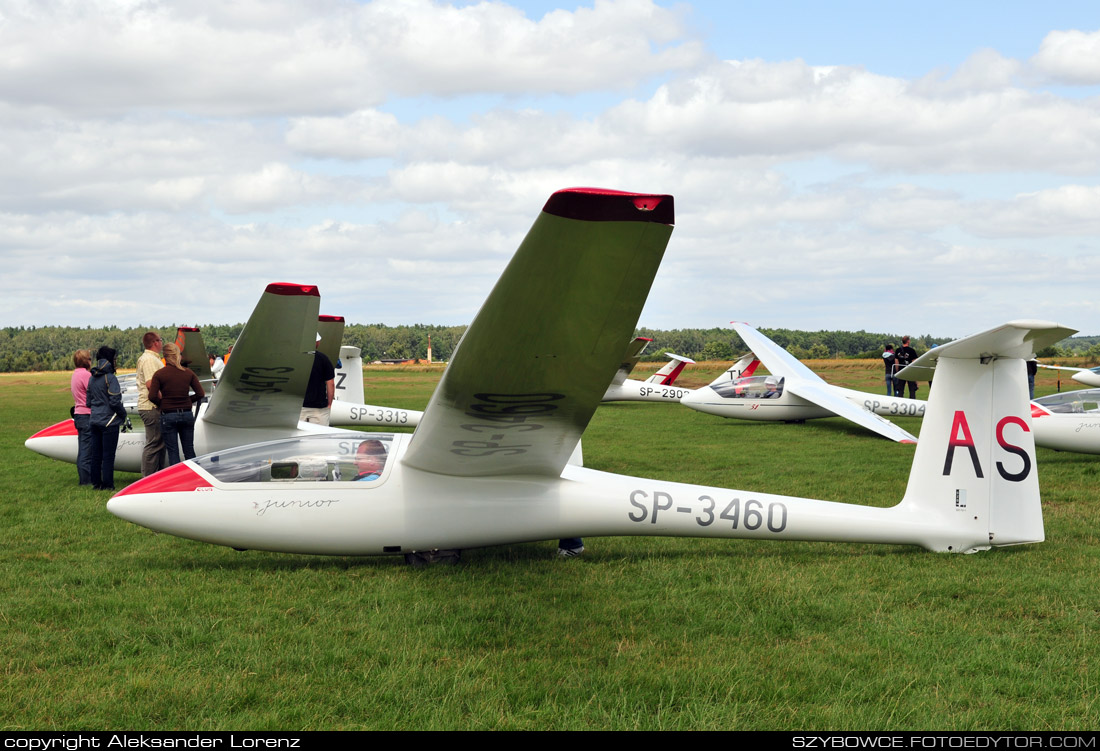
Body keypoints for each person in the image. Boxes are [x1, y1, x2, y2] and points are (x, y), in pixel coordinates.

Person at [149, 343, 205, 466]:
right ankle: (195, 476)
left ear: (165, 356)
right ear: (178, 356)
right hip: (186, 414)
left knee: (173, 452)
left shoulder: (159, 374)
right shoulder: (188, 373)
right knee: (189, 450)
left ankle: (178, 481)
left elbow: (152, 396)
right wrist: (188, 401)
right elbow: (201, 393)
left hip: (168, 415)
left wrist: (163, 403)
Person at [87, 346, 127, 490]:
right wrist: (123, 414)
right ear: (110, 360)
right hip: (109, 422)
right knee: (108, 455)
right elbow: (115, 401)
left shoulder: (92, 379)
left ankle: (96, 483)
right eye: (115, 359)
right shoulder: (110, 378)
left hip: (94, 420)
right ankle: (108, 485)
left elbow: (88, 402)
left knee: (96, 455)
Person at [136, 331, 166, 476]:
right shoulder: (149, 359)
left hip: (152, 406)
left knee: (159, 444)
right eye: (160, 340)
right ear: (155, 342)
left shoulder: (153, 358)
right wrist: (163, 402)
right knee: (154, 444)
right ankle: (147, 478)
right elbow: (150, 385)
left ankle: (156, 476)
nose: (161, 343)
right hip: (151, 406)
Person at [70, 349, 93, 485]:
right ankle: (86, 480)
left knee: (83, 448)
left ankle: (84, 478)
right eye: (89, 359)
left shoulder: (75, 375)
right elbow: (93, 392)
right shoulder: (86, 375)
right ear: (86, 361)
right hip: (87, 414)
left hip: (79, 413)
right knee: (87, 450)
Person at [300, 344, 335, 425]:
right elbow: (331, 384)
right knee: (319, 437)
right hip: (319, 408)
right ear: (317, 343)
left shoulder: (296, 358)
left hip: (299, 406)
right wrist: (329, 404)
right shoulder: (323, 359)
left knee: (298, 437)